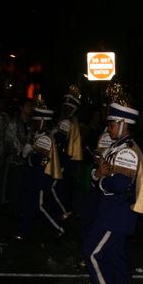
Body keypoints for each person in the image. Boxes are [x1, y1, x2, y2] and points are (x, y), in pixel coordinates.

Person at [82, 85, 143, 284]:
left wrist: (98, 179)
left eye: (111, 125)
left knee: (92, 252)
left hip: (115, 214)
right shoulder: (119, 148)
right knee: (115, 258)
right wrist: (97, 176)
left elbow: (117, 185)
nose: (108, 129)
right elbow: (100, 173)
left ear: (122, 123)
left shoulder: (127, 151)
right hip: (112, 212)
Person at [13, 97, 65, 241]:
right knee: (28, 205)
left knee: (39, 206)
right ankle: (23, 233)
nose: (34, 123)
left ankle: (60, 228)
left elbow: (41, 160)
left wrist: (29, 156)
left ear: (42, 120)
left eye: (36, 120)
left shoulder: (45, 138)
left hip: (42, 177)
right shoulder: (41, 135)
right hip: (36, 176)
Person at [52, 86, 84, 219]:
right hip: (69, 160)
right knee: (62, 188)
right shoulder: (73, 120)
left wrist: (49, 134)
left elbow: (58, 139)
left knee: (59, 188)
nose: (65, 110)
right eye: (64, 107)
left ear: (74, 110)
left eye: (68, 108)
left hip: (65, 159)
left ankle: (65, 212)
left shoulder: (66, 122)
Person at [3, 96, 34, 216]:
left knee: (26, 188)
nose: (30, 108)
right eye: (28, 106)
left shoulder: (32, 123)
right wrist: (18, 153)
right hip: (17, 162)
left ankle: (23, 211)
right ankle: (13, 211)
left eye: (31, 106)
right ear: (21, 108)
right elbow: (8, 141)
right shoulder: (13, 123)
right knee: (15, 188)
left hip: (29, 162)